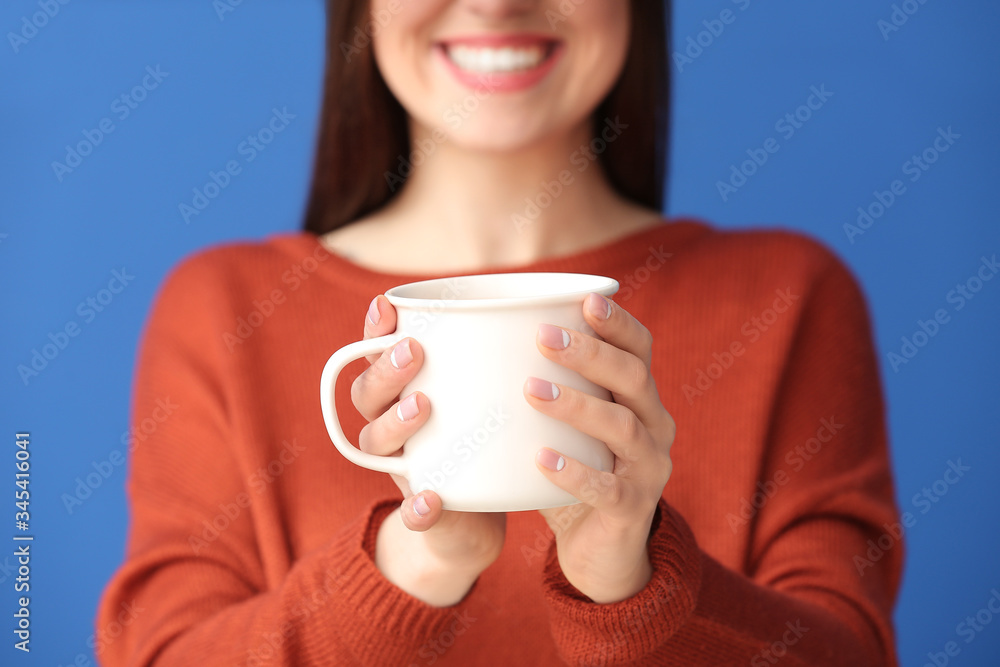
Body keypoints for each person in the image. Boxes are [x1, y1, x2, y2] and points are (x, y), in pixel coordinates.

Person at [97, 1, 902, 665]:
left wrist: (637, 584)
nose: (496, 4)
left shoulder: (789, 298)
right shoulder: (220, 307)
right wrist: (412, 566)